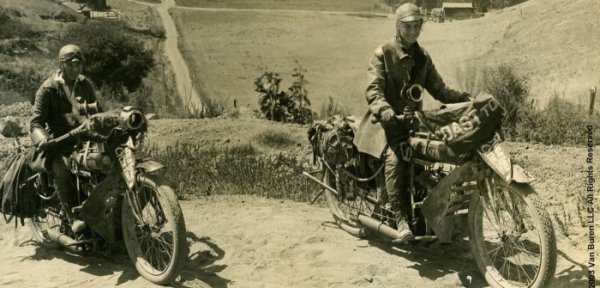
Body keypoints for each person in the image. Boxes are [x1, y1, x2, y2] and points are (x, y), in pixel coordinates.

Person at [353, 3, 471, 241]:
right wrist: (384, 109)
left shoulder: (422, 57)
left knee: (434, 154)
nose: (413, 31)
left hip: (412, 122)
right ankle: (400, 219)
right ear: (398, 26)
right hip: (385, 124)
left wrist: (463, 99)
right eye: (408, 26)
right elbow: (374, 90)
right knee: (398, 158)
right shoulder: (383, 54)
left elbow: (438, 88)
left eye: (417, 26)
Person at [30, 44, 100, 234]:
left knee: (105, 161)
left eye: (79, 64)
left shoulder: (85, 84)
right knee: (62, 169)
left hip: (84, 139)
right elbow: (35, 123)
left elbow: (97, 111)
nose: (75, 69)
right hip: (59, 142)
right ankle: (72, 218)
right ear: (61, 64)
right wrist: (42, 139)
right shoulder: (48, 89)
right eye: (71, 64)